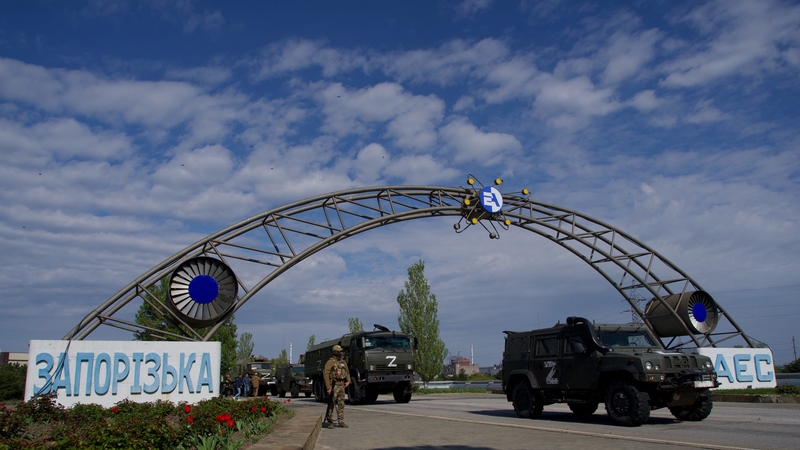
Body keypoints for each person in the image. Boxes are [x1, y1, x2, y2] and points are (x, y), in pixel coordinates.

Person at [323, 344, 351, 428]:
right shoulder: (330, 362)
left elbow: (347, 372)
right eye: (339, 351)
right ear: (335, 352)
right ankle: (330, 421)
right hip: (334, 385)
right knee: (331, 403)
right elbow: (326, 374)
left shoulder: (343, 362)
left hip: (341, 385)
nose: (341, 353)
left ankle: (341, 421)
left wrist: (348, 381)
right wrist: (328, 387)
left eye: (341, 351)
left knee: (341, 403)